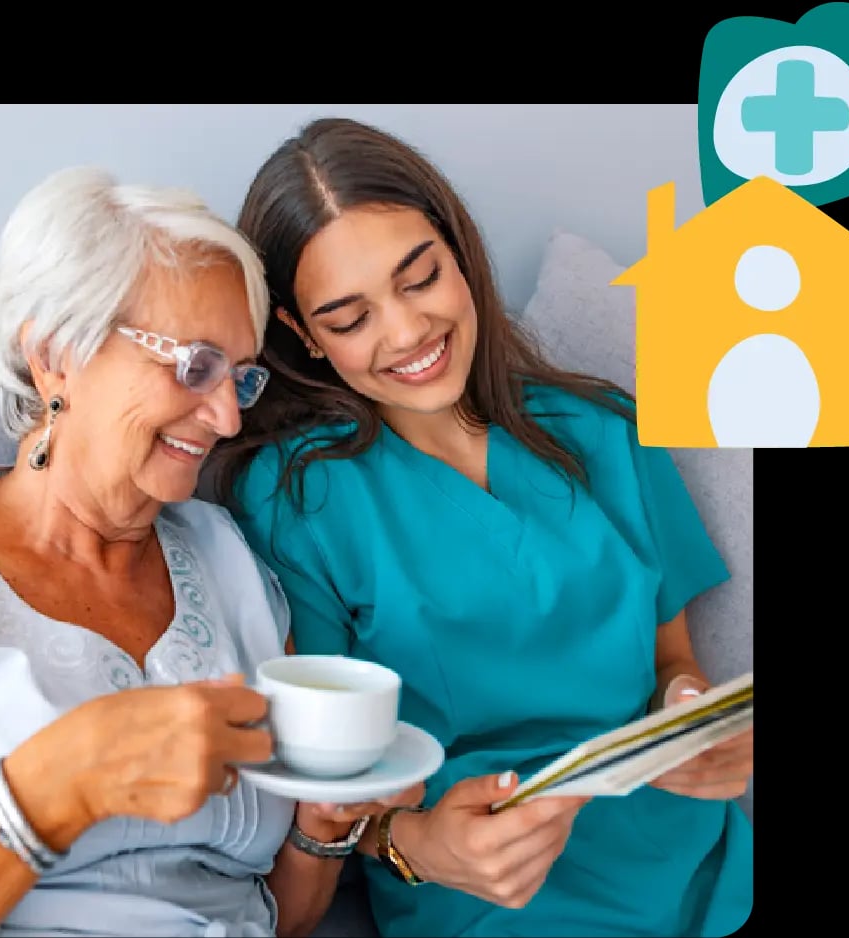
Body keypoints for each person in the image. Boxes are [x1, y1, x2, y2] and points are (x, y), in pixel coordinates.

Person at [205, 117, 754, 938]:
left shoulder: (605, 429)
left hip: (691, 856)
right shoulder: (295, 498)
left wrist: (693, 721)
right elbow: (329, 783)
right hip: (483, 884)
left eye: (419, 278)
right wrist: (417, 845)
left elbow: (671, 660)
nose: (406, 332)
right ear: (302, 336)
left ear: (459, 255)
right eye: (350, 318)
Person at [0, 166, 418, 938]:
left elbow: (277, 918)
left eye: (242, 376)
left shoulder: (231, 562)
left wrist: (321, 830)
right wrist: (58, 786)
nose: (227, 417)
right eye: (194, 366)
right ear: (56, 353)